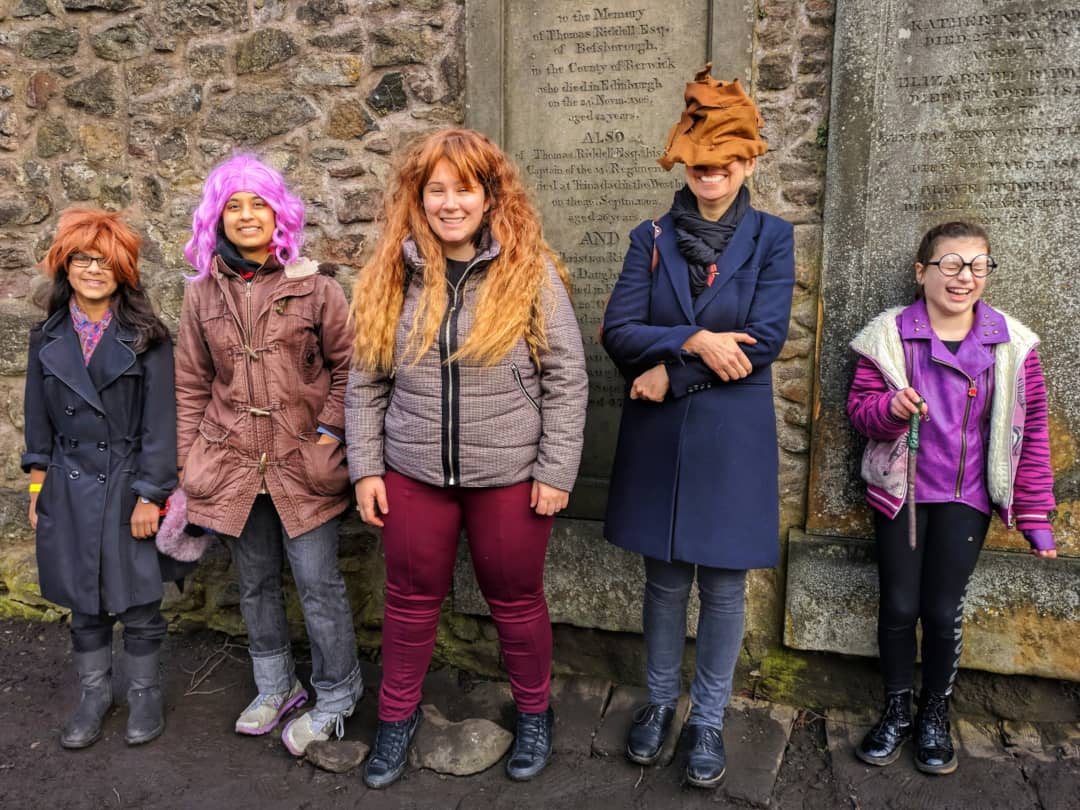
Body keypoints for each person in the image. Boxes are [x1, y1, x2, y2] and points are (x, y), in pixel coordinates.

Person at [347, 128, 588, 788]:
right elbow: (366, 379)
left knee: (516, 601)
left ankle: (534, 714)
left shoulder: (530, 271)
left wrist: (554, 471)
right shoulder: (391, 275)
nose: (450, 203)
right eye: (437, 191)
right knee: (408, 600)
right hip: (414, 472)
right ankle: (397, 721)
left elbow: (567, 375)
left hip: (508, 475)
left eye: (464, 189)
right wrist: (366, 468)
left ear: (489, 197)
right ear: (419, 199)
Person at [601, 64, 795, 788]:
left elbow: (766, 338)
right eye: (700, 168)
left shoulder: (773, 237)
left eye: (725, 167)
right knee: (663, 583)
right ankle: (657, 705)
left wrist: (672, 369)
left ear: (747, 164)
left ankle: (707, 719)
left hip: (730, 436)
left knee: (721, 586)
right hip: (659, 439)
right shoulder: (649, 235)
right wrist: (693, 340)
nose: (710, 179)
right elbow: (620, 329)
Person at [847, 220, 1057, 775]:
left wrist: (1035, 514)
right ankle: (896, 710)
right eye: (950, 264)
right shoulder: (889, 336)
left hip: (967, 499)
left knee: (941, 610)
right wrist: (891, 412)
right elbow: (860, 409)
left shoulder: (1013, 344)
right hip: (903, 494)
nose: (965, 277)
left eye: (978, 265)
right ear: (921, 272)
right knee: (897, 605)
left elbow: (1027, 432)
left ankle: (934, 713)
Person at [175, 155, 362, 756]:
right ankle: (275, 686)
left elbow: (350, 372)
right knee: (253, 584)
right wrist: (190, 463)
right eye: (235, 205)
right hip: (232, 467)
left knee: (317, 583)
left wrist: (329, 437)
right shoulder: (201, 296)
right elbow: (190, 385)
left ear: (279, 214)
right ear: (217, 218)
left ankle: (337, 692)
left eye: (259, 203)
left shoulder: (317, 288)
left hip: (303, 467)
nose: (248, 215)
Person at [23, 208, 185, 748]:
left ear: (124, 271)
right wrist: (37, 487)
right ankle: (94, 695)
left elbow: (161, 425)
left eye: (105, 261)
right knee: (83, 600)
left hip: (127, 483)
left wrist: (151, 496)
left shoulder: (148, 338)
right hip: (68, 487)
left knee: (138, 602)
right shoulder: (45, 337)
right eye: (82, 259)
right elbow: (38, 423)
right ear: (65, 266)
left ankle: (143, 696)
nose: (93, 270)